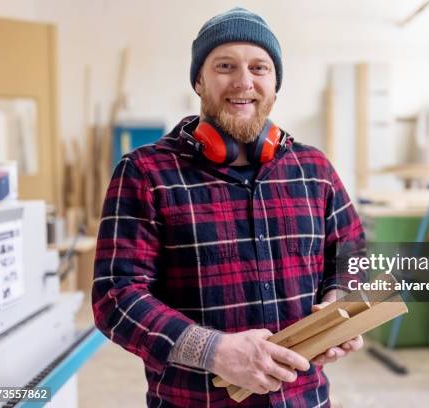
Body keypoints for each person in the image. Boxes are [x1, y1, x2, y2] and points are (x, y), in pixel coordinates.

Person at [92, 7, 365, 407]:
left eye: (259, 68)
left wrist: (339, 307)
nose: (244, 81)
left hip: (304, 399)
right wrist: (214, 350)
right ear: (199, 80)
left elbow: (354, 258)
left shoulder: (314, 169)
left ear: (275, 84)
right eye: (225, 66)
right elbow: (115, 296)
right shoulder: (145, 172)